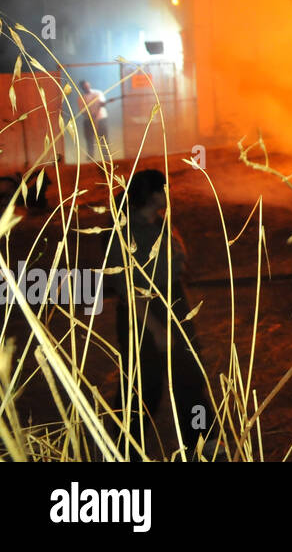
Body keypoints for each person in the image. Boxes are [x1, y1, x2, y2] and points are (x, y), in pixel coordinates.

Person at [105, 169, 217, 457]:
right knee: (143, 387)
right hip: (142, 313)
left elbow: (176, 266)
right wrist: (156, 329)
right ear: (153, 195)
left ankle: (202, 439)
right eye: (164, 189)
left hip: (173, 303)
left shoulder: (159, 221)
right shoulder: (125, 230)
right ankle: (124, 448)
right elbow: (128, 288)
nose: (169, 194)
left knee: (189, 377)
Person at [77, 79, 109, 158]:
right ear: (82, 88)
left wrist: (101, 105)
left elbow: (102, 103)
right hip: (89, 120)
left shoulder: (98, 93)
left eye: (87, 86)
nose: (87, 88)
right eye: (84, 87)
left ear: (89, 85)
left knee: (103, 139)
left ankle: (106, 157)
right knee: (89, 139)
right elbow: (82, 111)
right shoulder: (81, 98)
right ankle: (90, 156)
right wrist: (91, 115)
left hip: (101, 118)